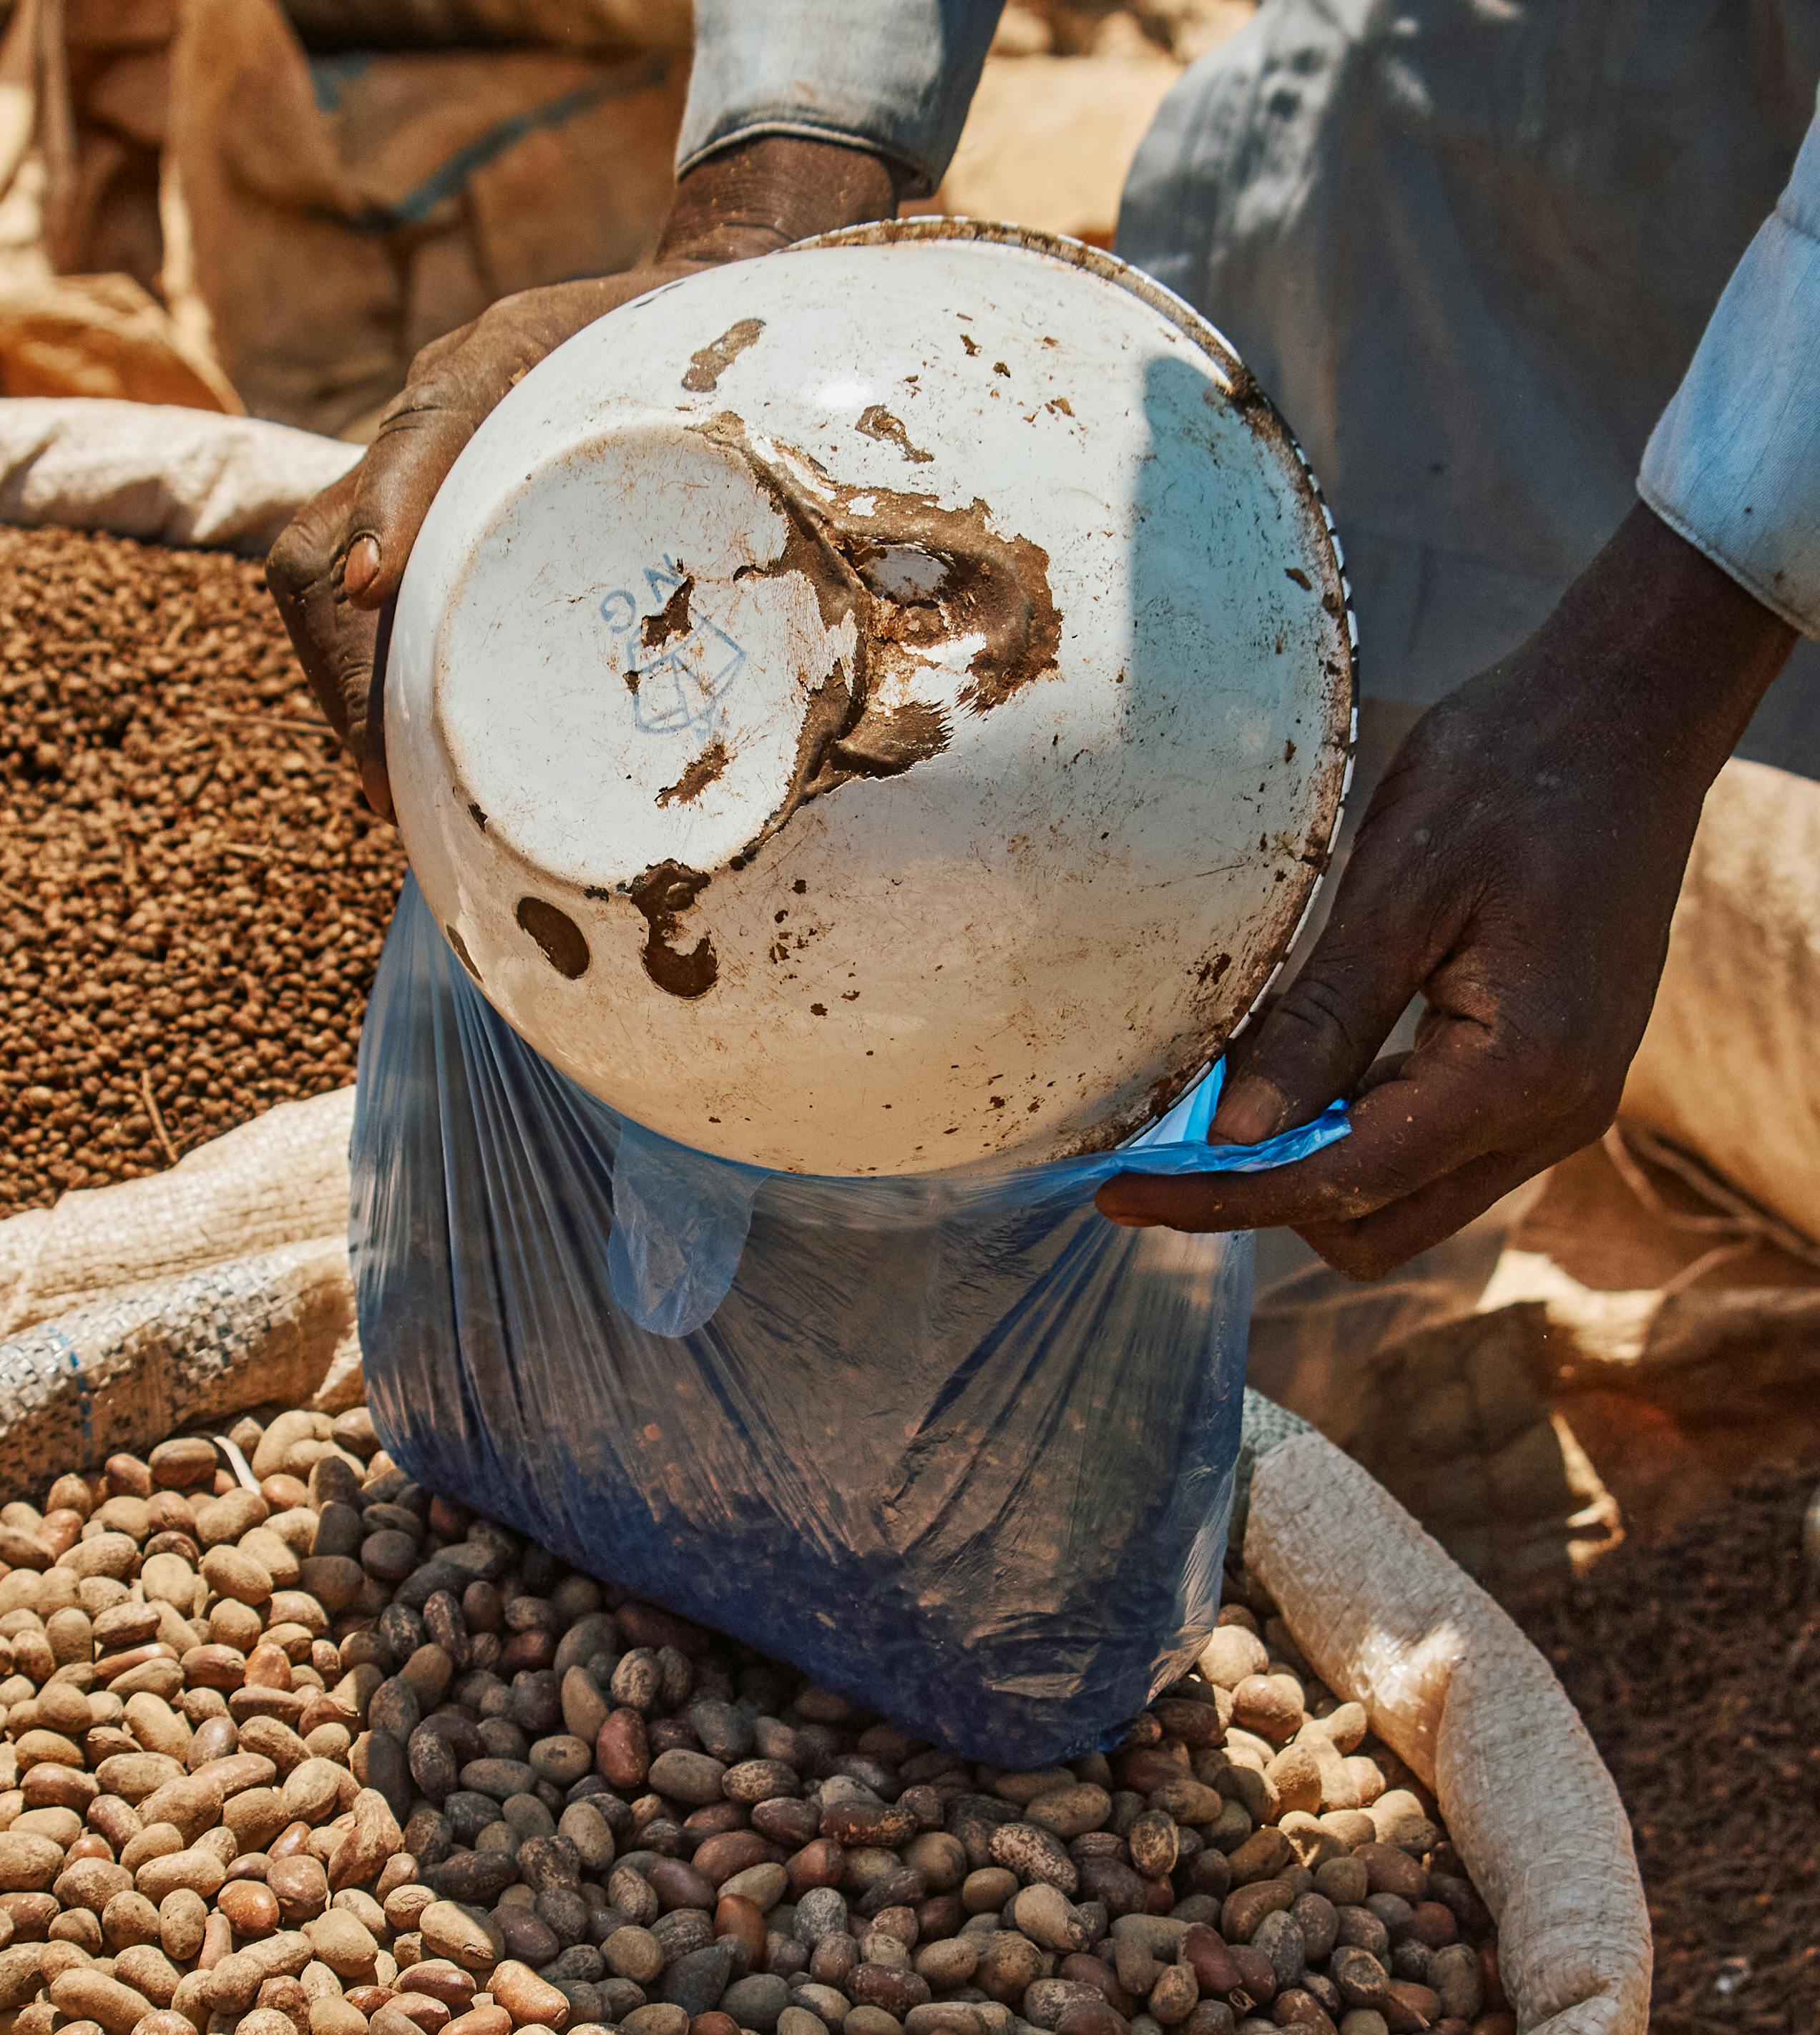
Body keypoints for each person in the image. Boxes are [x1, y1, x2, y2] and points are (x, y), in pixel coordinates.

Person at [270, 0, 1820, 1279]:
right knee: (1287, 1011)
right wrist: (759, 209)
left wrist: (1674, 645)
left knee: (1508, 940)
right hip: (1449, 99)